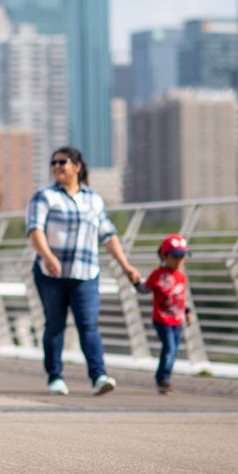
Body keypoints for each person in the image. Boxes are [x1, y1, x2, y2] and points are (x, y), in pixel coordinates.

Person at [26, 146, 141, 396]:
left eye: (62, 162)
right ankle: (55, 377)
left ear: (77, 166)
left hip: (85, 273)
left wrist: (126, 266)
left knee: (88, 324)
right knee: (54, 325)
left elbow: (108, 235)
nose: (56, 166)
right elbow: (35, 230)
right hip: (51, 274)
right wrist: (47, 256)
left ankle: (99, 375)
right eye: (53, 162)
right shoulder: (44, 196)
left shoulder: (94, 199)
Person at [141, 233, 193, 394]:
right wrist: (135, 281)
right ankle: (163, 379)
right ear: (164, 256)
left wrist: (187, 312)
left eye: (182, 257)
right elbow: (145, 289)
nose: (179, 261)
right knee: (169, 348)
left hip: (177, 320)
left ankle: (164, 377)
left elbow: (180, 298)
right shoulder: (158, 274)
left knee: (174, 350)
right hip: (161, 319)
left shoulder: (181, 276)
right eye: (175, 257)